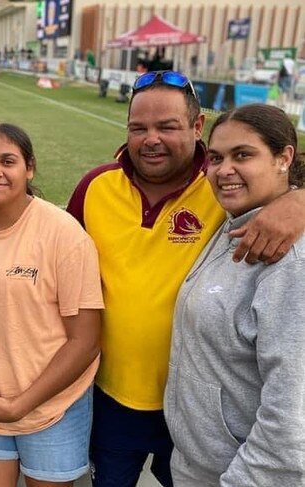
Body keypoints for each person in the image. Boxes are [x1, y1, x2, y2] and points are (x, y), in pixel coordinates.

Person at [66, 70, 305, 487]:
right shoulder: (95, 187)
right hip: (111, 398)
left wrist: (298, 201)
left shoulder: (222, 192)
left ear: (197, 128)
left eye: (167, 126)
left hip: (198, 415)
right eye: (138, 128)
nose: (150, 139)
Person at [0, 123, 102, 486]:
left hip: (53, 409)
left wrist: (21, 405)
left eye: (7, 161)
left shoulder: (65, 234)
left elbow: (86, 342)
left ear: (29, 168)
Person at [165, 103, 305, 485]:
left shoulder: (290, 261)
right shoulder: (239, 222)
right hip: (197, 464)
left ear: (283, 157)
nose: (224, 169)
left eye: (243, 155)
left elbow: (291, 420)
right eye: (215, 157)